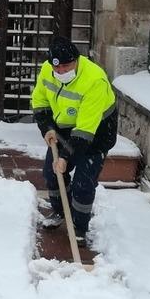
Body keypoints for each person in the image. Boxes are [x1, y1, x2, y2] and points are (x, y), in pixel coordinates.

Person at [31, 36, 118, 247]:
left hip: (96, 131)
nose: (61, 72)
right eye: (57, 69)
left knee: (83, 183)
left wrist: (66, 157)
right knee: (52, 174)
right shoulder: (46, 70)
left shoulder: (94, 80)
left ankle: (79, 226)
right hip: (63, 127)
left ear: (77, 61)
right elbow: (40, 101)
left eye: (66, 67)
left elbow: (85, 130)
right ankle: (62, 212)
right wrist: (47, 128)